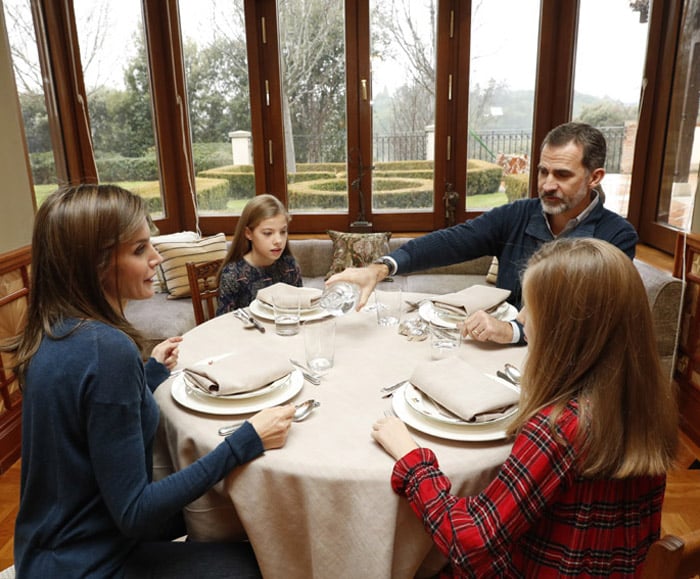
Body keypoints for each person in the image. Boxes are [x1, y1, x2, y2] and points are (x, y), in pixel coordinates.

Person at [9, 184, 295, 578]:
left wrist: (148, 375)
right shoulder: (107, 350)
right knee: (267, 560)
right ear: (95, 262)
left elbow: (95, 417)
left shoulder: (57, 330)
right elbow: (136, 512)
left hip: (46, 553)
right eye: (140, 249)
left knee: (222, 520)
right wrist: (246, 441)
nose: (157, 259)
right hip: (91, 562)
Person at [371, 237, 678, 578]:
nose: (520, 316)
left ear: (563, 330)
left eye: (531, 307)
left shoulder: (559, 428)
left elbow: (468, 541)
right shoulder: (649, 400)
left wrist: (413, 460)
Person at [327, 122, 639, 345]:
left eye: (562, 175)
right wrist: (381, 267)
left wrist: (513, 332)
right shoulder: (517, 214)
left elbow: (580, 317)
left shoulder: (616, 237)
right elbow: (451, 242)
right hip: (495, 352)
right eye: (543, 171)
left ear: (595, 177)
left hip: (560, 371)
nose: (546, 185)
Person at [216, 194, 302, 315]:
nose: (278, 240)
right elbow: (223, 324)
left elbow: (301, 311)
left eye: (283, 231)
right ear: (248, 233)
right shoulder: (233, 274)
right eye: (268, 233)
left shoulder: (290, 266)